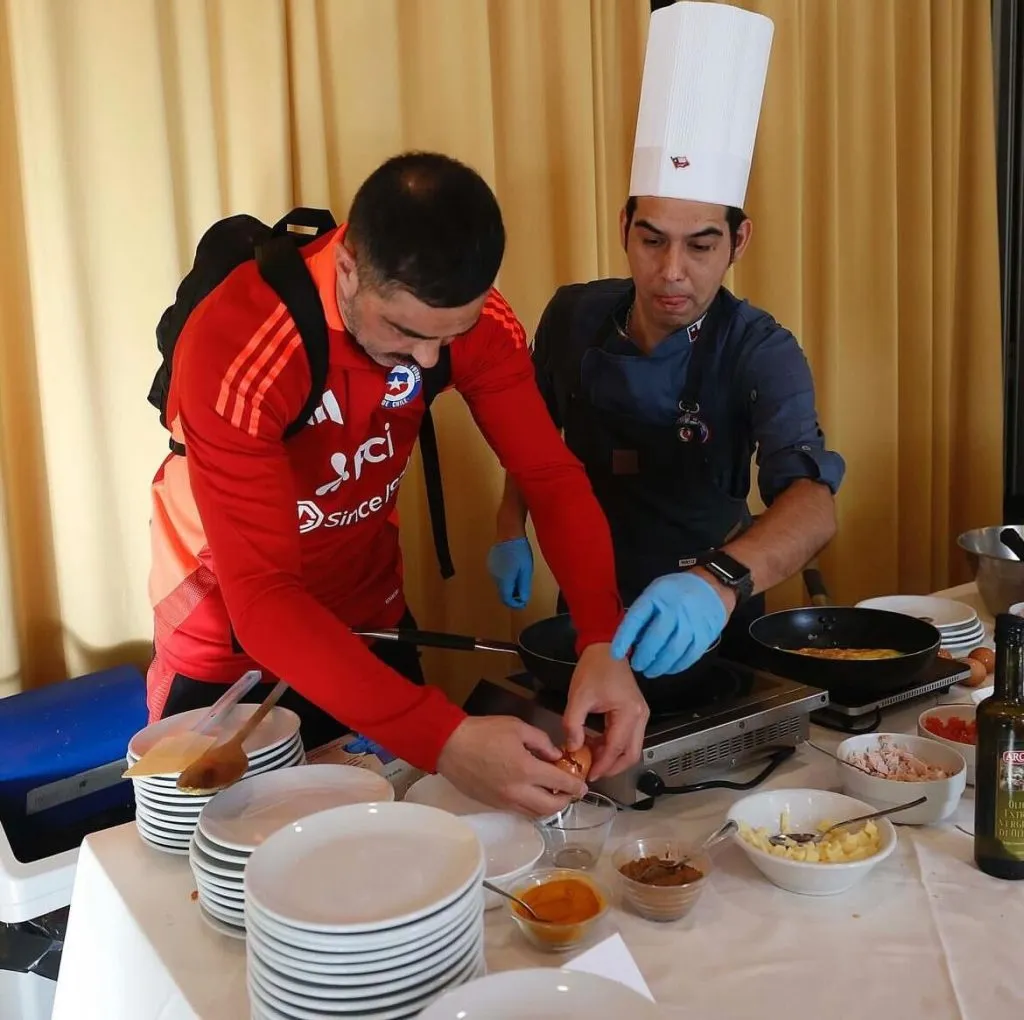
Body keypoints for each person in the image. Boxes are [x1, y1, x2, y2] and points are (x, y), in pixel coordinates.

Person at [146, 151, 648, 817]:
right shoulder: (239, 347)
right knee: (232, 883)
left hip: (368, 621)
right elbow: (264, 599)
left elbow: (550, 478)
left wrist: (601, 640)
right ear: (349, 267)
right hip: (228, 644)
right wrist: (444, 739)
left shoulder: (467, 318)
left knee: (403, 850)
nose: (430, 360)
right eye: (405, 333)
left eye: (452, 334)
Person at [487, 2, 845, 679]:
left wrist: (717, 582)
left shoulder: (760, 350)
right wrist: (511, 524)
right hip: (589, 611)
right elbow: (533, 438)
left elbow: (812, 504)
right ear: (624, 224)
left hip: (712, 620)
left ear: (739, 239)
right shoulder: (573, 316)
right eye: (651, 240)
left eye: (701, 245)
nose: (671, 272)